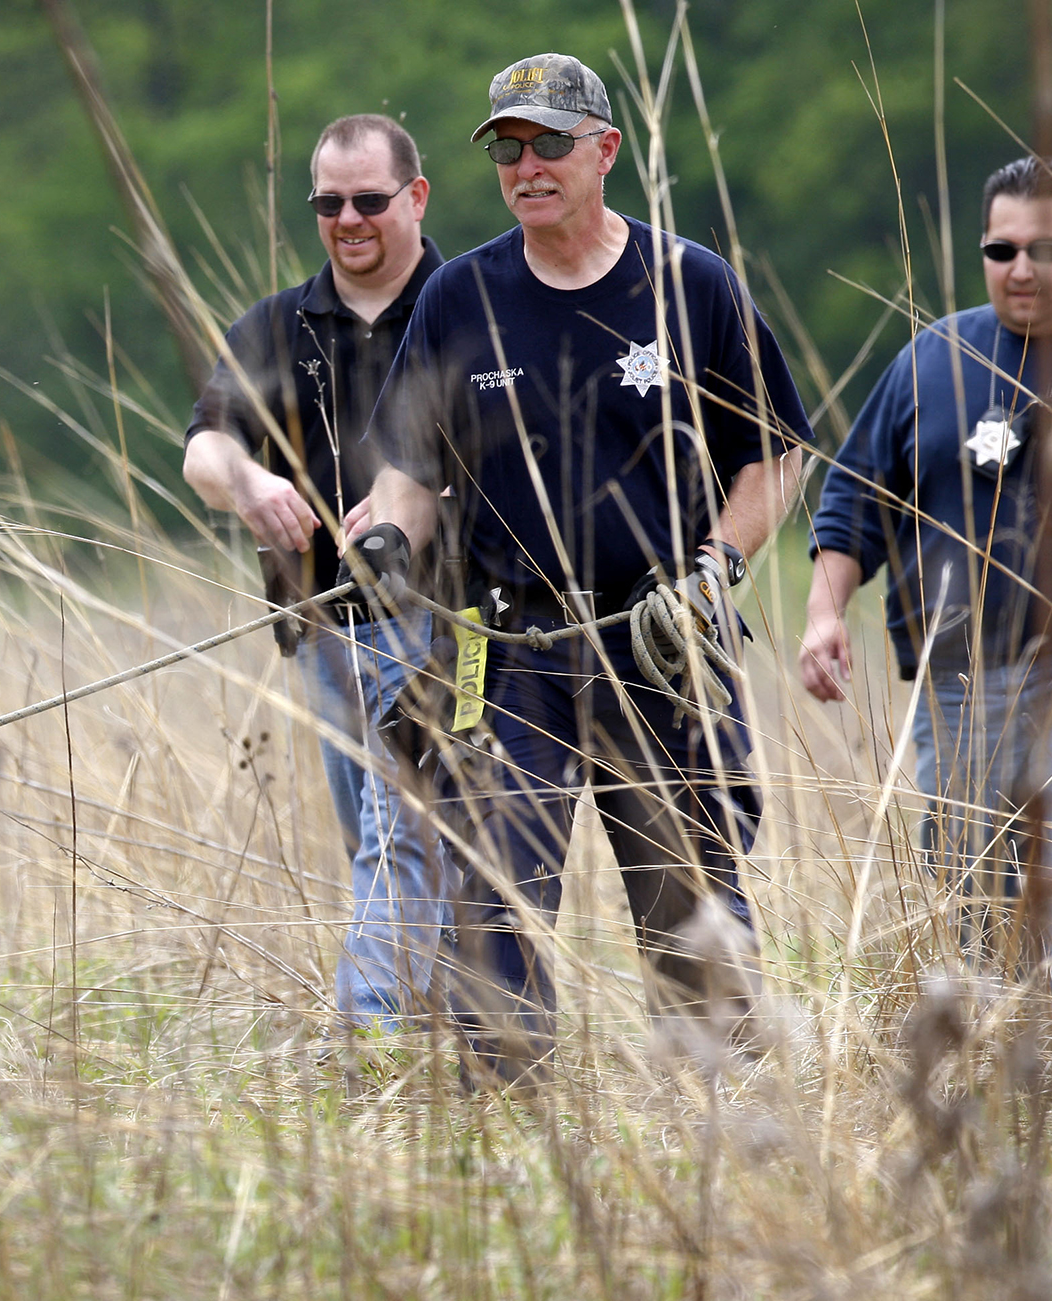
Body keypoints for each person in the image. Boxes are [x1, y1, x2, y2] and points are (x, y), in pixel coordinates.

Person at [347, 54, 810, 1082]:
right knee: (492, 896)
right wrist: (385, 540)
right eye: (507, 149)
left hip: (659, 641)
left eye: (548, 142)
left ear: (603, 149)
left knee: (688, 899)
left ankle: (729, 1115)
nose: (526, 165)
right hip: (508, 651)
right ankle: (506, 1127)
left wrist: (713, 567)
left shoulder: (690, 284)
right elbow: (407, 474)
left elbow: (773, 453)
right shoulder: (457, 295)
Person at [802, 156, 1052, 1003]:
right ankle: (1001, 1059)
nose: (1019, 268)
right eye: (1000, 250)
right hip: (965, 671)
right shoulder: (932, 362)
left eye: (1043, 249)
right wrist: (822, 614)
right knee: (973, 889)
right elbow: (852, 502)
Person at [182, 114, 446, 1029]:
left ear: (415, 197)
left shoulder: (472, 304)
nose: (349, 220)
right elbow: (204, 448)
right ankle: (440, 1036)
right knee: (382, 842)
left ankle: (370, 1041)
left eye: (370, 200)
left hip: (450, 629)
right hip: (323, 632)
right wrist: (250, 481)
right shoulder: (273, 326)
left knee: (403, 834)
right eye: (328, 204)